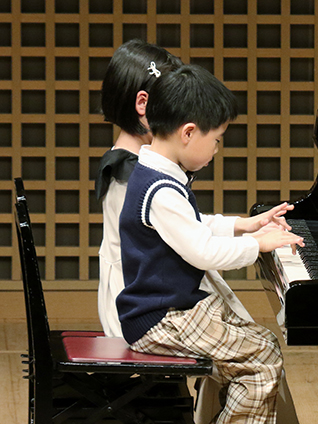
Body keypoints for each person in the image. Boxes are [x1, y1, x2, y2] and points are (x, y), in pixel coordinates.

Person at [116, 64, 304, 424]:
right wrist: (259, 244)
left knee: (260, 344)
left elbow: (193, 226)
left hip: (173, 311)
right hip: (163, 319)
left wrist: (244, 225)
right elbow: (203, 251)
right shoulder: (160, 189)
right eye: (216, 140)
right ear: (189, 133)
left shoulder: (156, 175)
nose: (217, 149)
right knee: (263, 360)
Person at [95, 39, 183, 338]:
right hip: (141, 310)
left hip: (139, 296)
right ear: (142, 104)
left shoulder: (126, 161)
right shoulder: (131, 172)